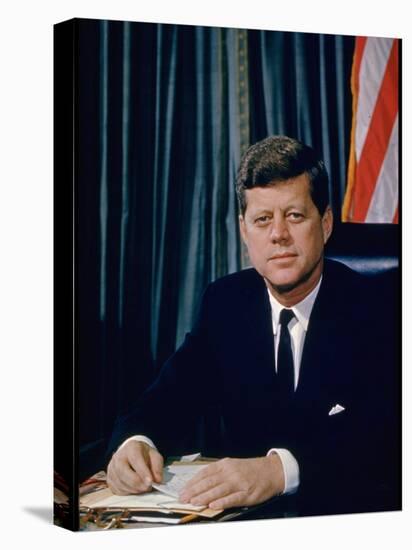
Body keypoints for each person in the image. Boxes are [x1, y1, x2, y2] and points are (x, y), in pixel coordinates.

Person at [105, 136, 400, 516]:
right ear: (245, 232)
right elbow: (169, 396)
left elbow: (386, 435)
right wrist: (134, 441)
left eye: (294, 215)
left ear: (325, 224)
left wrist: (278, 471)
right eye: (262, 220)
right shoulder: (225, 303)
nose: (278, 234)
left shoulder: (380, 308)